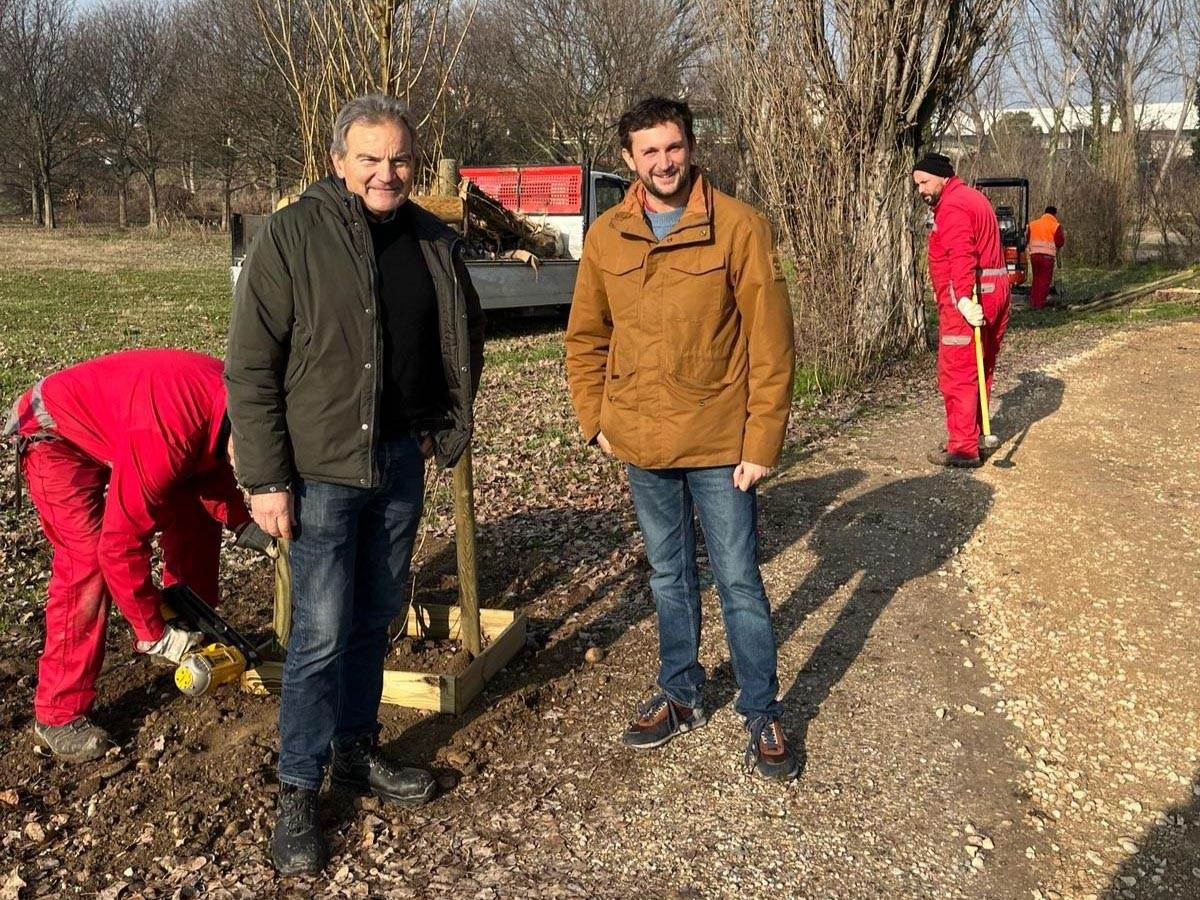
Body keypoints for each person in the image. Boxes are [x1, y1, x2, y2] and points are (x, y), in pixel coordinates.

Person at [226, 93, 484, 875]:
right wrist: (266, 477)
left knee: (375, 617)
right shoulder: (293, 235)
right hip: (322, 473)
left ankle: (354, 749)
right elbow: (250, 367)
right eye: (369, 158)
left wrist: (447, 415)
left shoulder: (432, 238)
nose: (386, 172)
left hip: (401, 460)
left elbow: (462, 330)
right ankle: (298, 789)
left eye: (399, 158)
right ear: (337, 162)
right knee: (319, 636)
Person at [565, 97, 799, 781]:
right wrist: (597, 421)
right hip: (640, 441)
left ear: (691, 147)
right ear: (628, 159)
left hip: (722, 442)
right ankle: (680, 692)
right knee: (668, 576)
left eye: (673, 147)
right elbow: (584, 338)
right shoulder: (607, 234)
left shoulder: (739, 227)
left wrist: (762, 441)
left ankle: (762, 712)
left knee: (738, 581)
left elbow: (771, 342)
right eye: (649, 152)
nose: (663, 162)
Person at [3, 349, 255, 762]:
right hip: (55, 435)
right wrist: (151, 633)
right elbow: (120, 545)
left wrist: (245, 522)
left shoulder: (236, 402)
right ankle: (58, 714)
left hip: (132, 424)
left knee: (194, 519)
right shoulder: (170, 432)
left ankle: (193, 627)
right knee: (87, 561)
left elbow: (209, 466)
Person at [912, 153, 1012, 468]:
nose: (921, 190)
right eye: (917, 185)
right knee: (981, 366)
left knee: (957, 372)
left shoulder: (953, 207)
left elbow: (961, 255)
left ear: (943, 177)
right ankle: (973, 433)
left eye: (925, 182)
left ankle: (963, 446)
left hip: (969, 295)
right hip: (995, 289)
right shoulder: (974, 198)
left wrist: (965, 301)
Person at [1026, 205, 1065, 309]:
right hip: (1047, 257)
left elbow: (1028, 237)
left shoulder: (1033, 224)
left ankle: (1033, 302)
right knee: (1044, 281)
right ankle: (1039, 305)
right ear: (1054, 214)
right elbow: (1060, 242)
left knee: (1036, 279)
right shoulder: (1055, 225)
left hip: (1034, 255)